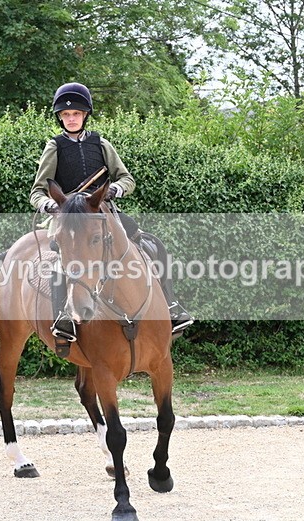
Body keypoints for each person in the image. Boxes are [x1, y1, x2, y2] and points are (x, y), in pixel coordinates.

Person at [30, 82, 193, 346]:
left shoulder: (101, 144)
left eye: (76, 114)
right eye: (66, 115)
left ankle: (172, 306)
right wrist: (49, 205)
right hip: (69, 219)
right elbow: (37, 190)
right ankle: (64, 317)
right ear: (60, 118)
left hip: (102, 214)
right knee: (59, 259)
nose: (71, 119)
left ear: (85, 115)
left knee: (152, 244)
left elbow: (126, 178)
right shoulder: (54, 147)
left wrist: (115, 189)